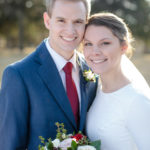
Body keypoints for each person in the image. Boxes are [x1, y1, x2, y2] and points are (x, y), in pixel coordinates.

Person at [0, 0, 98, 149]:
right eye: (61, 20)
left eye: (78, 21)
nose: (70, 30)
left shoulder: (93, 69)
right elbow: (9, 145)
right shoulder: (18, 75)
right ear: (47, 21)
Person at [84, 12, 150, 150]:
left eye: (105, 43)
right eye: (88, 44)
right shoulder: (95, 90)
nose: (94, 51)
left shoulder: (137, 102)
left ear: (123, 47)